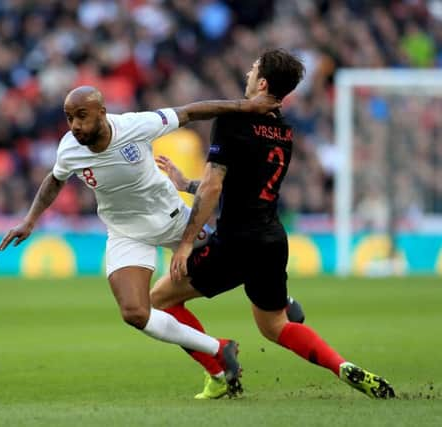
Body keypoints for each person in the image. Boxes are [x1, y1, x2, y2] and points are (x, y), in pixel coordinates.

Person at [0, 85, 283, 392]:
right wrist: (30, 221)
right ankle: (219, 349)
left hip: (173, 220)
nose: (76, 125)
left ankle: (281, 301)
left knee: (239, 257)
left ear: (102, 113)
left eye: (82, 116)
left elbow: (191, 111)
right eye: (69, 118)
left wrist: (246, 106)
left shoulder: (135, 126)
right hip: (126, 233)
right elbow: (55, 178)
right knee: (135, 312)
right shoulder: (69, 149)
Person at [151, 49, 395, 399]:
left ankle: (218, 366)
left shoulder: (232, 120)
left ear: (262, 82)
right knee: (275, 325)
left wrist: (188, 243)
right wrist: (188, 184)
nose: (248, 73)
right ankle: (340, 365)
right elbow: (242, 186)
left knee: (160, 299)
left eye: (253, 69)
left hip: (236, 241)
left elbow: (216, 185)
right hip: (272, 239)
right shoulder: (284, 131)